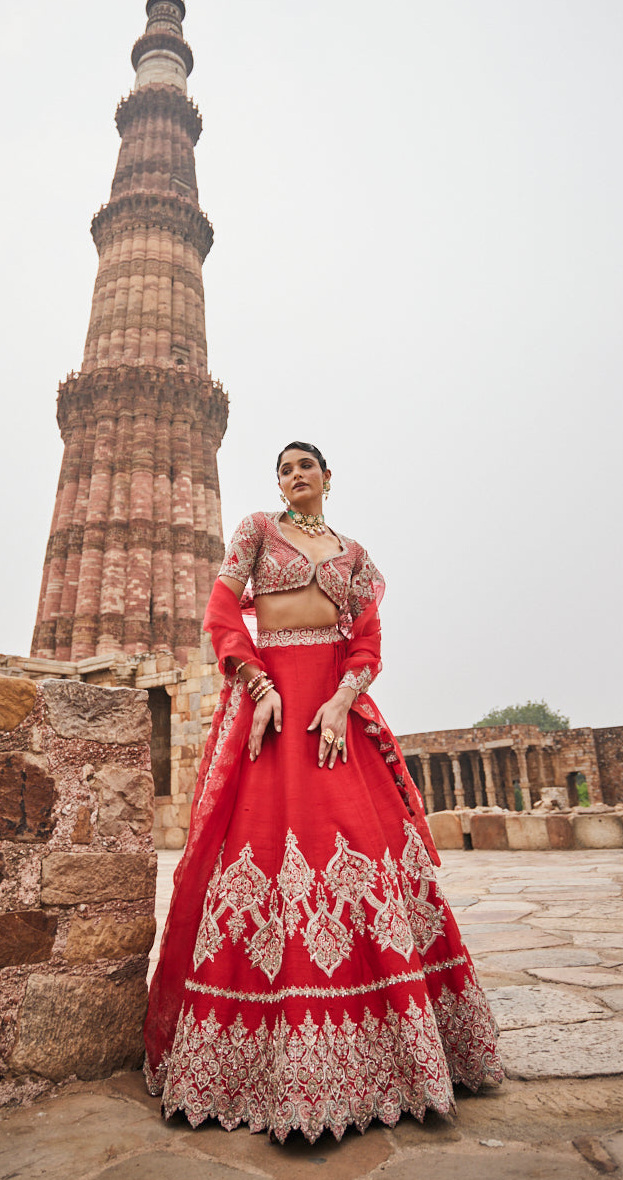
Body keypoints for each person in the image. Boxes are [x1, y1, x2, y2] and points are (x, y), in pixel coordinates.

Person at [144, 441, 503, 1141]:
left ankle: (398, 1062)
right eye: (283, 468)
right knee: (263, 847)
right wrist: (258, 686)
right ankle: (255, 1067)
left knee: (361, 847)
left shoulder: (353, 555)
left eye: (305, 466)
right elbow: (221, 620)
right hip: (272, 707)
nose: (294, 476)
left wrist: (341, 701)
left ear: (328, 478)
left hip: (331, 711)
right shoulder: (253, 530)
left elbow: (365, 642)